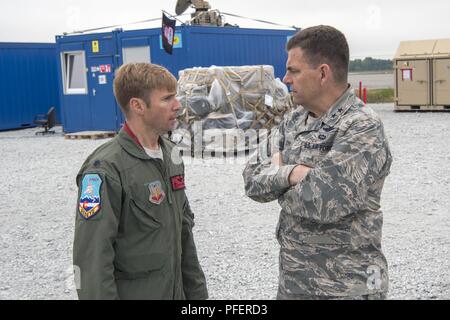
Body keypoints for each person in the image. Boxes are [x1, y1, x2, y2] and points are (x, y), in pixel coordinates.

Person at [243, 25, 392, 300]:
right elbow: (251, 179)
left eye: (294, 70)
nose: (285, 78)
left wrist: (277, 174)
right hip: (294, 283)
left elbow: (324, 200)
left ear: (323, 73)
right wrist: (293, 174)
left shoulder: (361, 127)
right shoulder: (294, 120)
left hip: (348, 286)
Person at [73, 63, 208, 300]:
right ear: (138, 106)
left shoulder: (171, 155)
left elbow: (184, 236)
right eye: (167, 99)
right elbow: (92, 260)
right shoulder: (106, 169)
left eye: (175, 97)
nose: (177, 105)